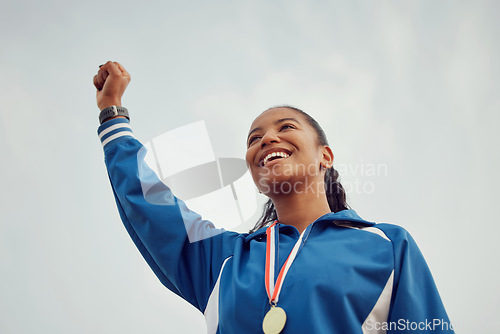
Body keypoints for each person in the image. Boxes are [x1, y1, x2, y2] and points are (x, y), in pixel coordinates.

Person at [94, 61, 454, 334]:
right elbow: (149, 203)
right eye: (254, 138)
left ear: (324, 156)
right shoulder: (224, 259)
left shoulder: (388, 246)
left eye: (286, 128)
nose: (266, 140)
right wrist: (112, 114)